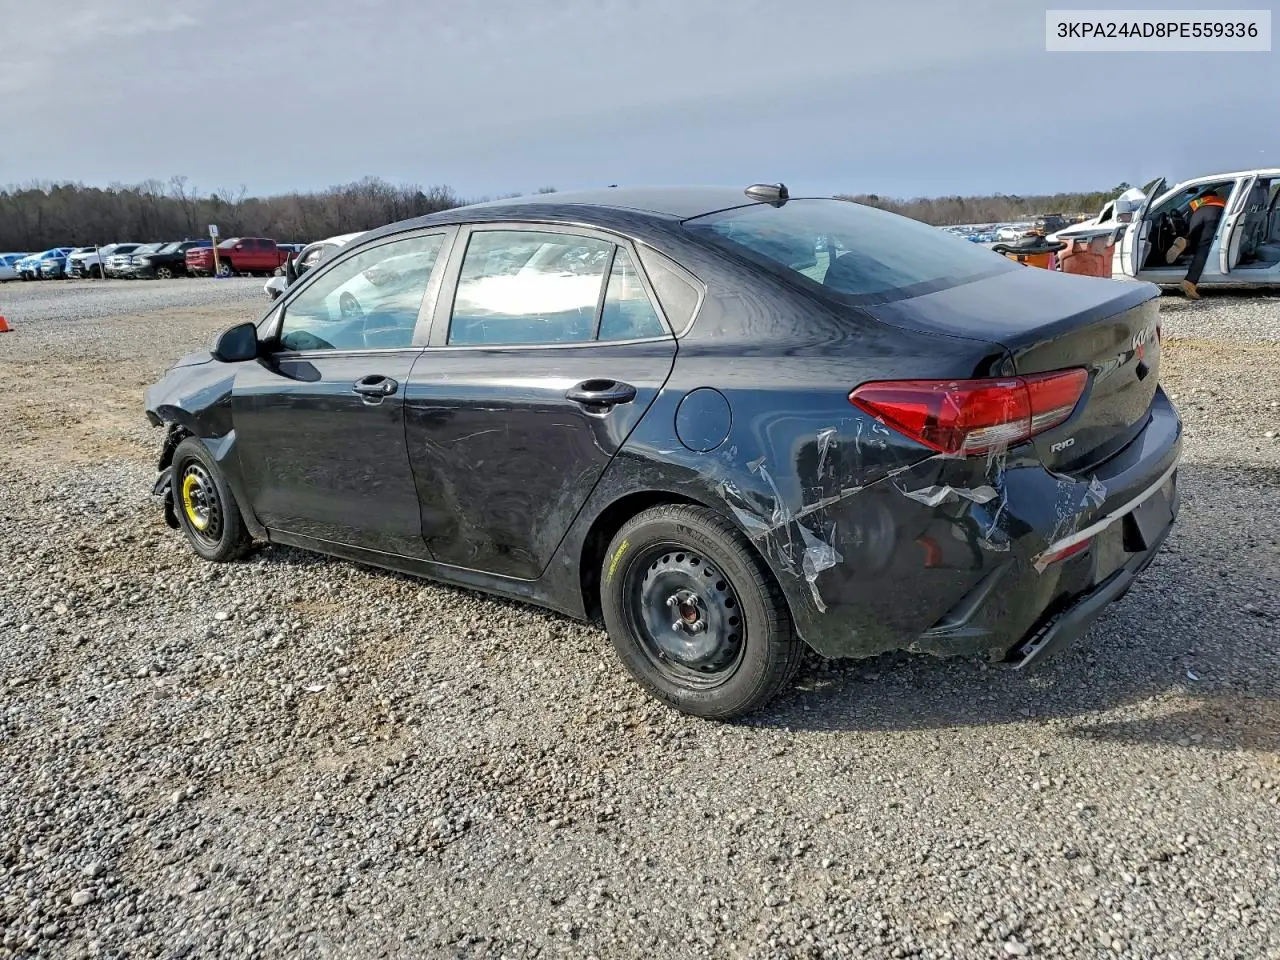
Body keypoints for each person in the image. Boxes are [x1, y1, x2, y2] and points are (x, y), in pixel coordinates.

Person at [1165, 187, 1227, 299]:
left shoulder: (1196, 202)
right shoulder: (1221, 201)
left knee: (1194, 239)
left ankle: (1185, 241)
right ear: (1215, 195)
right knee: (1204, 247)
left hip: (1197, 215)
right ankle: (1190, 281)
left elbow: (1189, 223)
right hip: (1212, 216)